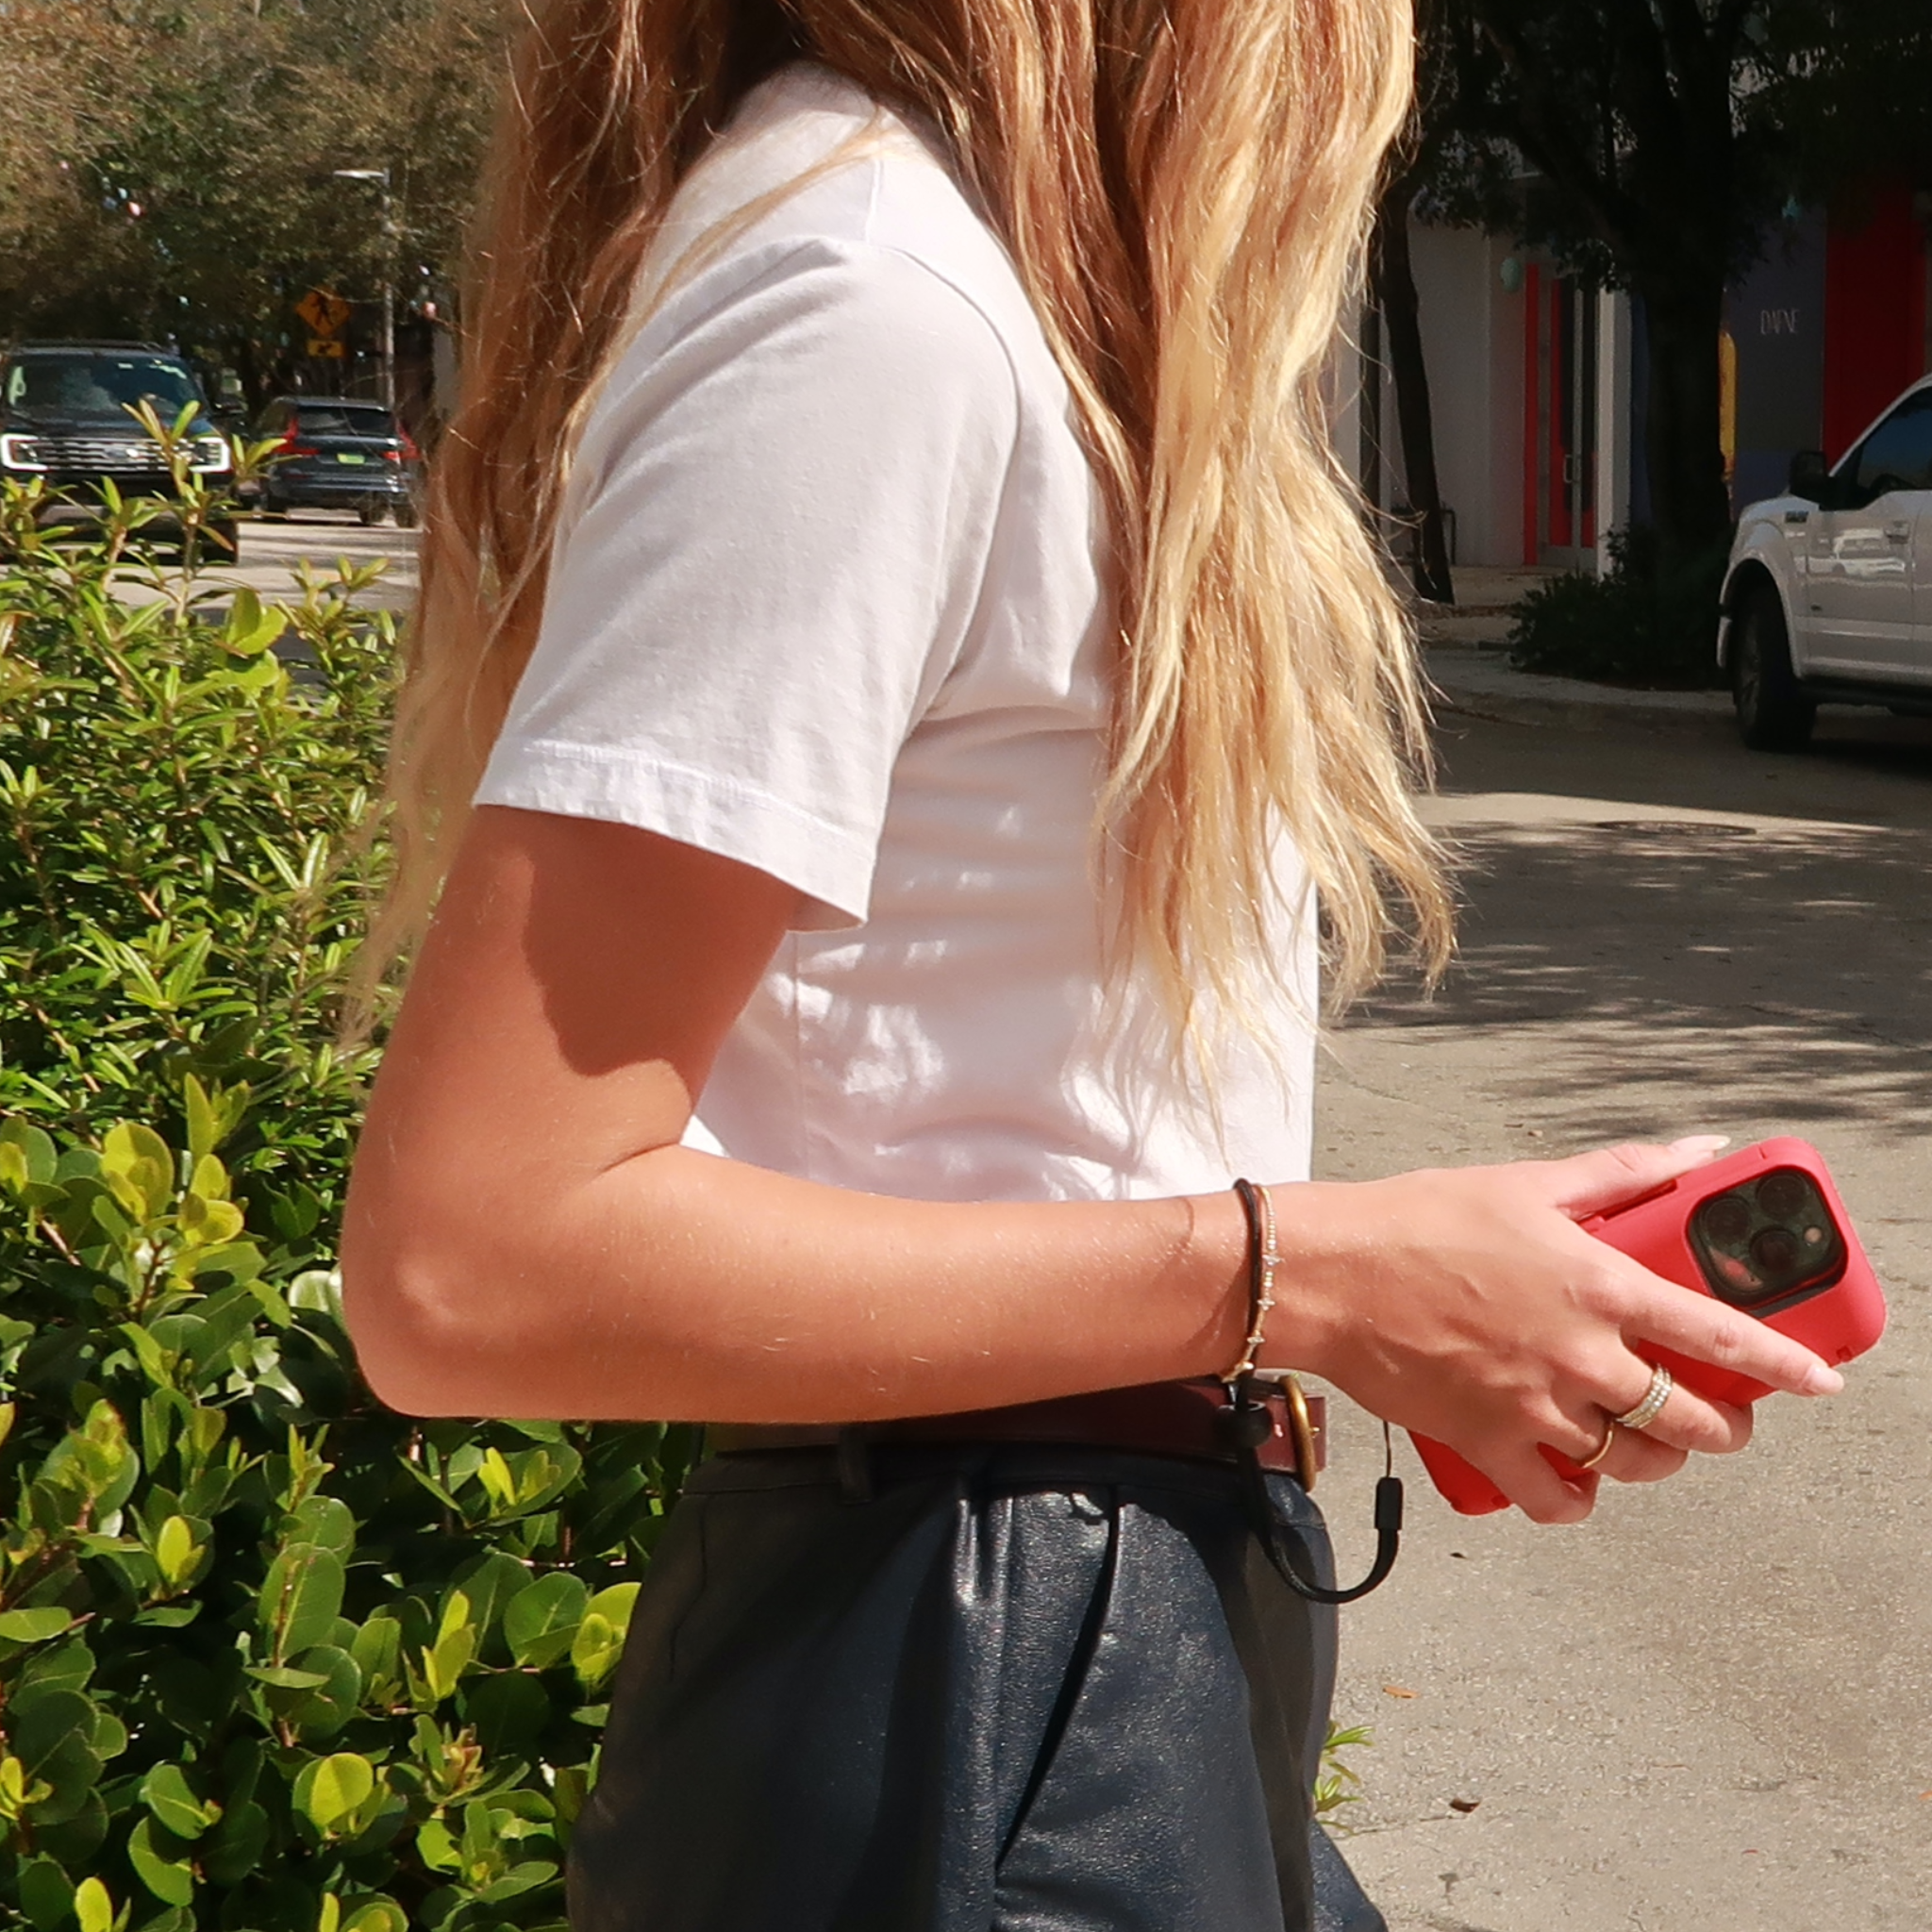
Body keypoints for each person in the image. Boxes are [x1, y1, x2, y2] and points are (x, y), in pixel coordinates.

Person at [339, 3, 1844, 1927]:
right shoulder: (874, 299)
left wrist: (1386, 1293)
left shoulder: (952, 291)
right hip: (991, 1658)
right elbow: (471, 1261)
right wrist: (1327, 1278)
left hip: (1052, 1634)